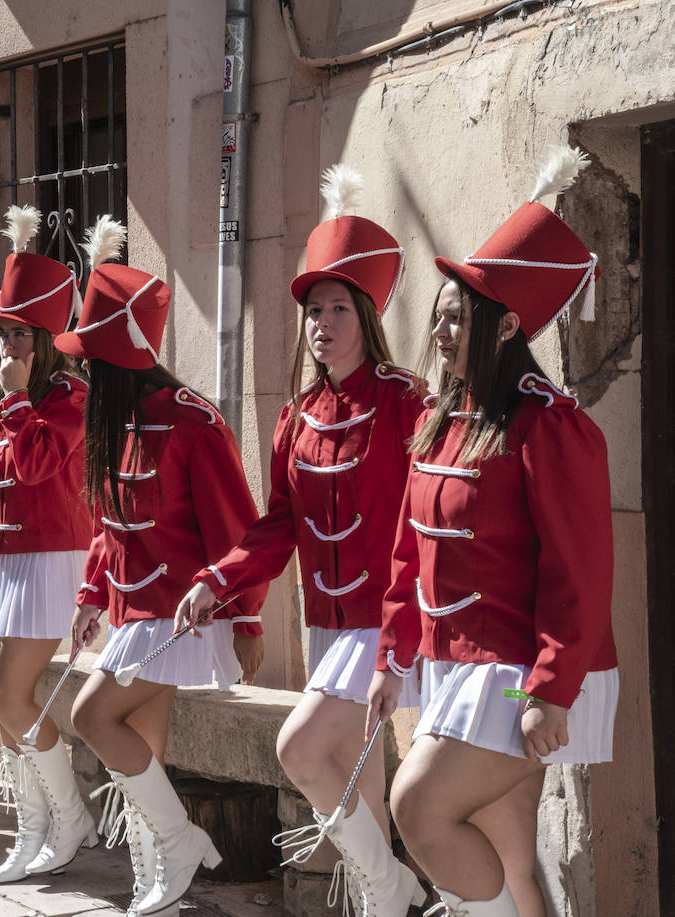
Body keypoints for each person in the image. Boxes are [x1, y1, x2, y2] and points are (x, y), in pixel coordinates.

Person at [367, 146, 618, 917]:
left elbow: (579, 569)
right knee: (506, 847)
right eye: (438, 316)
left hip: (517, 668)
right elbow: (410, 551)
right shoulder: (444, 422)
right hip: (454, 664)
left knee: (417, 806)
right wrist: (391, 654)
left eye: (456, 318)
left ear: (507, 324)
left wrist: (548, 687)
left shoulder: (548, 424)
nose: (439, 332)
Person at [175, 166, 427, 913]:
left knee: (300, 748)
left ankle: (389, 881)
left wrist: (412, 618)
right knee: (358, 775)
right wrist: (218, 579)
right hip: (325, 621)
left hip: (385, 617)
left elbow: (423, 516)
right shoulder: (296, 416)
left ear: (366, 316)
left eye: (338, 308)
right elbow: (277, 522)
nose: (321, 322)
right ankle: (385, 899)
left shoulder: (405, 403)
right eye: (313, 309)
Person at [57, 216, 266, 917]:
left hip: (182, 613)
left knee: (94, 717)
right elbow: (109, 525)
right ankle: (163, 881)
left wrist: (248, 614)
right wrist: (92, 592)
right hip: (131, 615)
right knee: (137, 749)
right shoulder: (115, 424)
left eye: (91, 355)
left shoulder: (191, 422)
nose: (82, 366)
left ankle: (177, 842)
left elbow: (237, 526)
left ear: (119, 358)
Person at [0, 204, 97, 882]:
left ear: (45, 338)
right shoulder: (3, 403)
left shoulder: (68, 402)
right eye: (0, 336)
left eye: (16, 337)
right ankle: (34, 828)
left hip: (51, 560)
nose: (6, 350)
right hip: (2, 564)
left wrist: (17, 402)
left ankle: (69, 816)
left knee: (8, 696)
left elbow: (35, 467)